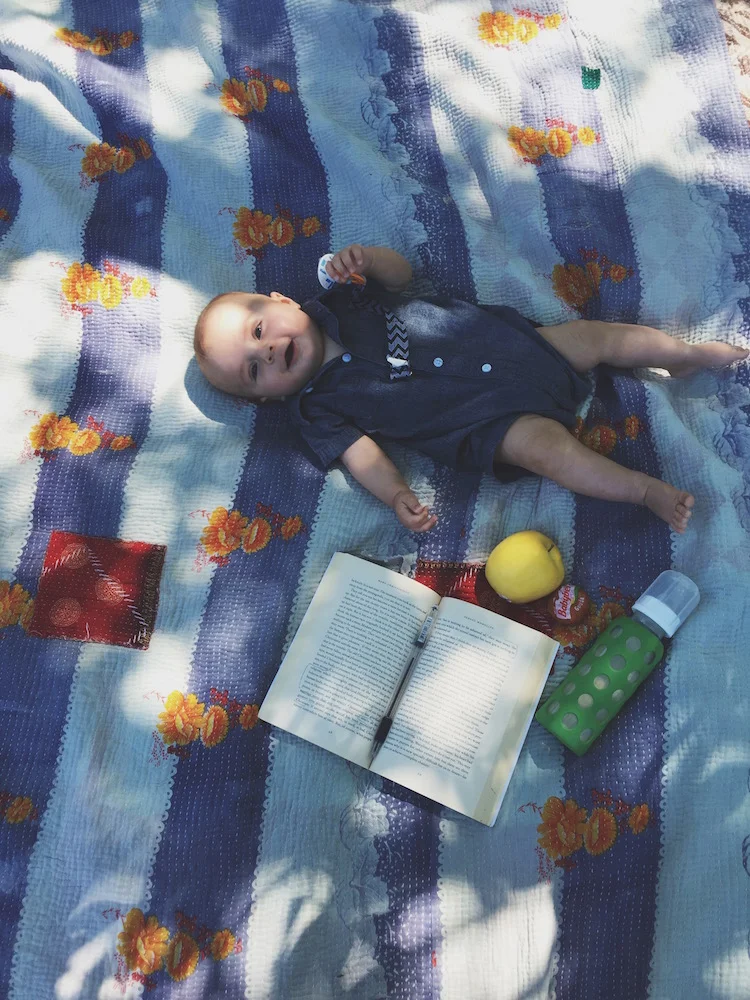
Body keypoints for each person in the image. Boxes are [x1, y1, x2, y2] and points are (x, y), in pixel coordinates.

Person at [193, 244, 748, 534]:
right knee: (549, 453)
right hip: (482, 425)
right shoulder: (316, 409)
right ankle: (643, 491)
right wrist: (394, 495)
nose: (265, 351)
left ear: (281, 302)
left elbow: (400, 277)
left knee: (595, 336)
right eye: (253, 369)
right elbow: (363, 456)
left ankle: (688, 356)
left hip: (518, 347)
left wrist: (367, 258)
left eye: (259, 330)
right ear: (265, 398)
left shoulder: (343, 293)